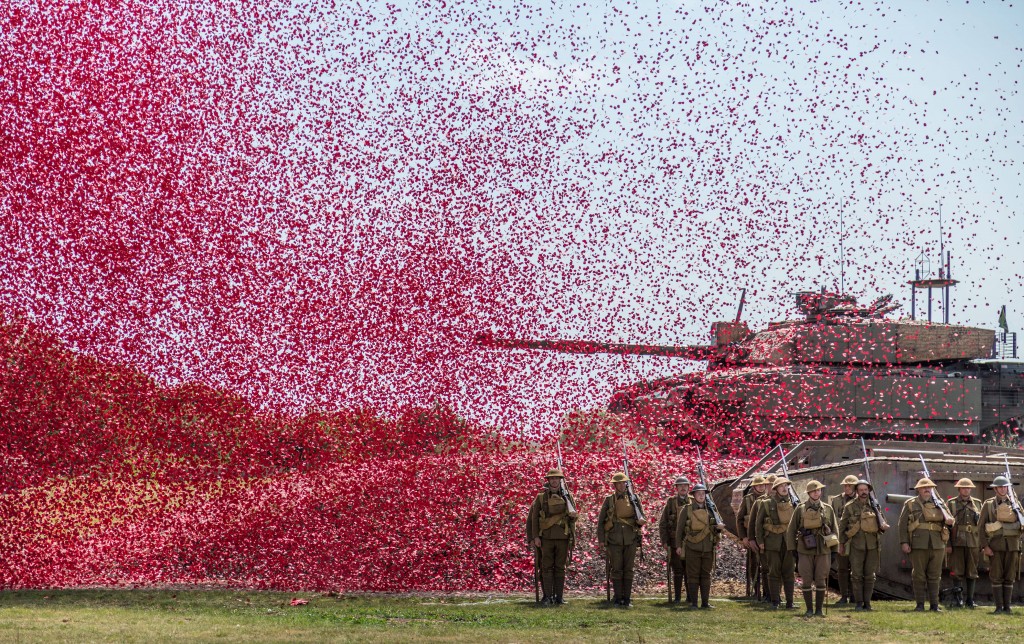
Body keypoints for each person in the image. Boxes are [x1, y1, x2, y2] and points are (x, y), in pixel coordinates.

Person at [898, 477, 953, 611]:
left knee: (935, 576)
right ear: (918, 490)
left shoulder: (940, 504)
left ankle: (934, 605)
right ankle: (920, 604)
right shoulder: (911, 504)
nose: (927, 489)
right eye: (924, 487)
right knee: (919, 575)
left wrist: (950, 520)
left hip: (937, 544)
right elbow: (902, 524)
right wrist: (904, 542)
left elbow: (950, 522)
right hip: (918, 543)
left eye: (929, 487)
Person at [787, 480, 839, 617]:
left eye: (819, 490)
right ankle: (809, 609)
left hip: (823, 549)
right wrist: (793, 549)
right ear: (809, 493)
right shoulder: (800, 509)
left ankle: (819, 610)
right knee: (807, 579)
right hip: (805, 549)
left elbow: (835, 530)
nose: (817, 493)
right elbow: (791, 530)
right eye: (814, 491)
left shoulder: (828, 509)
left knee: (821, 579)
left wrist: (834, 550)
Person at [526, 468, 578, 605]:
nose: (554, 481)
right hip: (546, 538)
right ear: (548, 481)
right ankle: (547, 596)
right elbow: (534, 518)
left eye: (557, 479)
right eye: (552, 479)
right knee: (546, 567)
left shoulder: (568, 496)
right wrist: (535, 537)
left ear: (560, 481)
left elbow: (573, 518)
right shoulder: (541, 497)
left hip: (563, 537)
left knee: (560, 567)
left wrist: (573, 517)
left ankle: (559, 597)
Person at [598, 472, 648, 607]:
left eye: (623, 482)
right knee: (617, 569)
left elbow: (641, 517)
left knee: (628, 569)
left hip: (630, 538)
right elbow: (601, 520)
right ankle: (618, 598)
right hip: (614, 539)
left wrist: (641, 521)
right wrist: (601, 539)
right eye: (618, 483)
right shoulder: (609, 500)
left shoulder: (634, 498)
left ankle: (627, 598)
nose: (621, 485)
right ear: (614, 485)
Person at [838, 480, 886, 611]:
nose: (864, 492)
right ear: (857, 492)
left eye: (866, 490)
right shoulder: (850, 506)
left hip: (872, 545)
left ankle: (867, 603)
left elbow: (882, 523)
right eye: (861, 490)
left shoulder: (875, 505)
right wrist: (841, 544)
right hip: (856, 545)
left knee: (870, 575)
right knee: (856, 575)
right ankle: (859, 603)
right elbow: (842, 526)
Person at [676, 483, 724, 609]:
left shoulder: (712, 510)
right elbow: (680, 530)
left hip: (708, 547)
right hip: (692, 546)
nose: (701, 496)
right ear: (694, 495)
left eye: (703, 493)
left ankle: (705, 602)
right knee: (693, 575)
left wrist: (718, 528)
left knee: (706, 575)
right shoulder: (687, 509)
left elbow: (715, 527)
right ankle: (693, 603)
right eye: (699, 493)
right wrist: (678, 546)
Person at [979, 475, 1022, 614]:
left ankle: (1007, 607)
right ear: (995, 489)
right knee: (996, 576)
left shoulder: (1015, 504)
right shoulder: (989, 504)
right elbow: (980, 527)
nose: (1003, 489)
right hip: (995, 545)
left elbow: (1022, 523)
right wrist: (985, 546)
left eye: (1005, 486)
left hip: (1012, 545)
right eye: (1000, 487)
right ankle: (998, 606)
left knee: (1010, 576)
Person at [754, 477, 798, 609]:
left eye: (786, 486)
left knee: (789, 572)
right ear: (776, 489)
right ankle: (775, 601)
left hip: (789, 543)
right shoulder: (767, 503)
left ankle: (790, 602)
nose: (784, 488)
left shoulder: (795, 504)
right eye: (781, 486)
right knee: (774, 572)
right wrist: (760, 541)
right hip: (772, 542)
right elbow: (758, 524)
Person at [946, 477, 982, 609]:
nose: (966, 490)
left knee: (972, 572)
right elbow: (945, 526)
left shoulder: (978, 504)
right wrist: (948, 544)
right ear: (959, 489)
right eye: (963, 488)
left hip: (973, 542)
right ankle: (958, 600)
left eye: (968, 488)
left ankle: (970, 600)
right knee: (957, 571)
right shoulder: (951, 503)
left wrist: (983, 543)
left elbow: (982, 525)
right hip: (957, 541)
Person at [658, 475, 691, 604]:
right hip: (673, 541)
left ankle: (690, 596)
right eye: (680, 485)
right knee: (677, 570)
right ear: (676, 488)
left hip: (690, 541)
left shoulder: (693, 501)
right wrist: (665, 541)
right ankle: (677, 597)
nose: (683, 488)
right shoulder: (671, 502)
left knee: (689, 570)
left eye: (685, 485)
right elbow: (663, 523)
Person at [828, 474, 859, 605]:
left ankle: (854, 596)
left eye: (850, 485)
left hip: (857, 539)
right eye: (845, 485)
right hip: (842, 538)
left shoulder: (862, 500)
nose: (847, 488)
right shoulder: (836, 500)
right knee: (842, 569)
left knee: (856, 569)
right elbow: (832, 519)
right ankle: (844, 596)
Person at [736, 475, 769, 600]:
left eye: (763, 485)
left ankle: (767, 592)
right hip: (752, 537)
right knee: (753, 565)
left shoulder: (769, 498)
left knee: (766, 565)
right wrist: (744, 537)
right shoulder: (748, 499)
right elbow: (739, 519)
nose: (761, 487)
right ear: (754, 487)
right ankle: (756, 591)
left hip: (766, 537)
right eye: (759, 485)